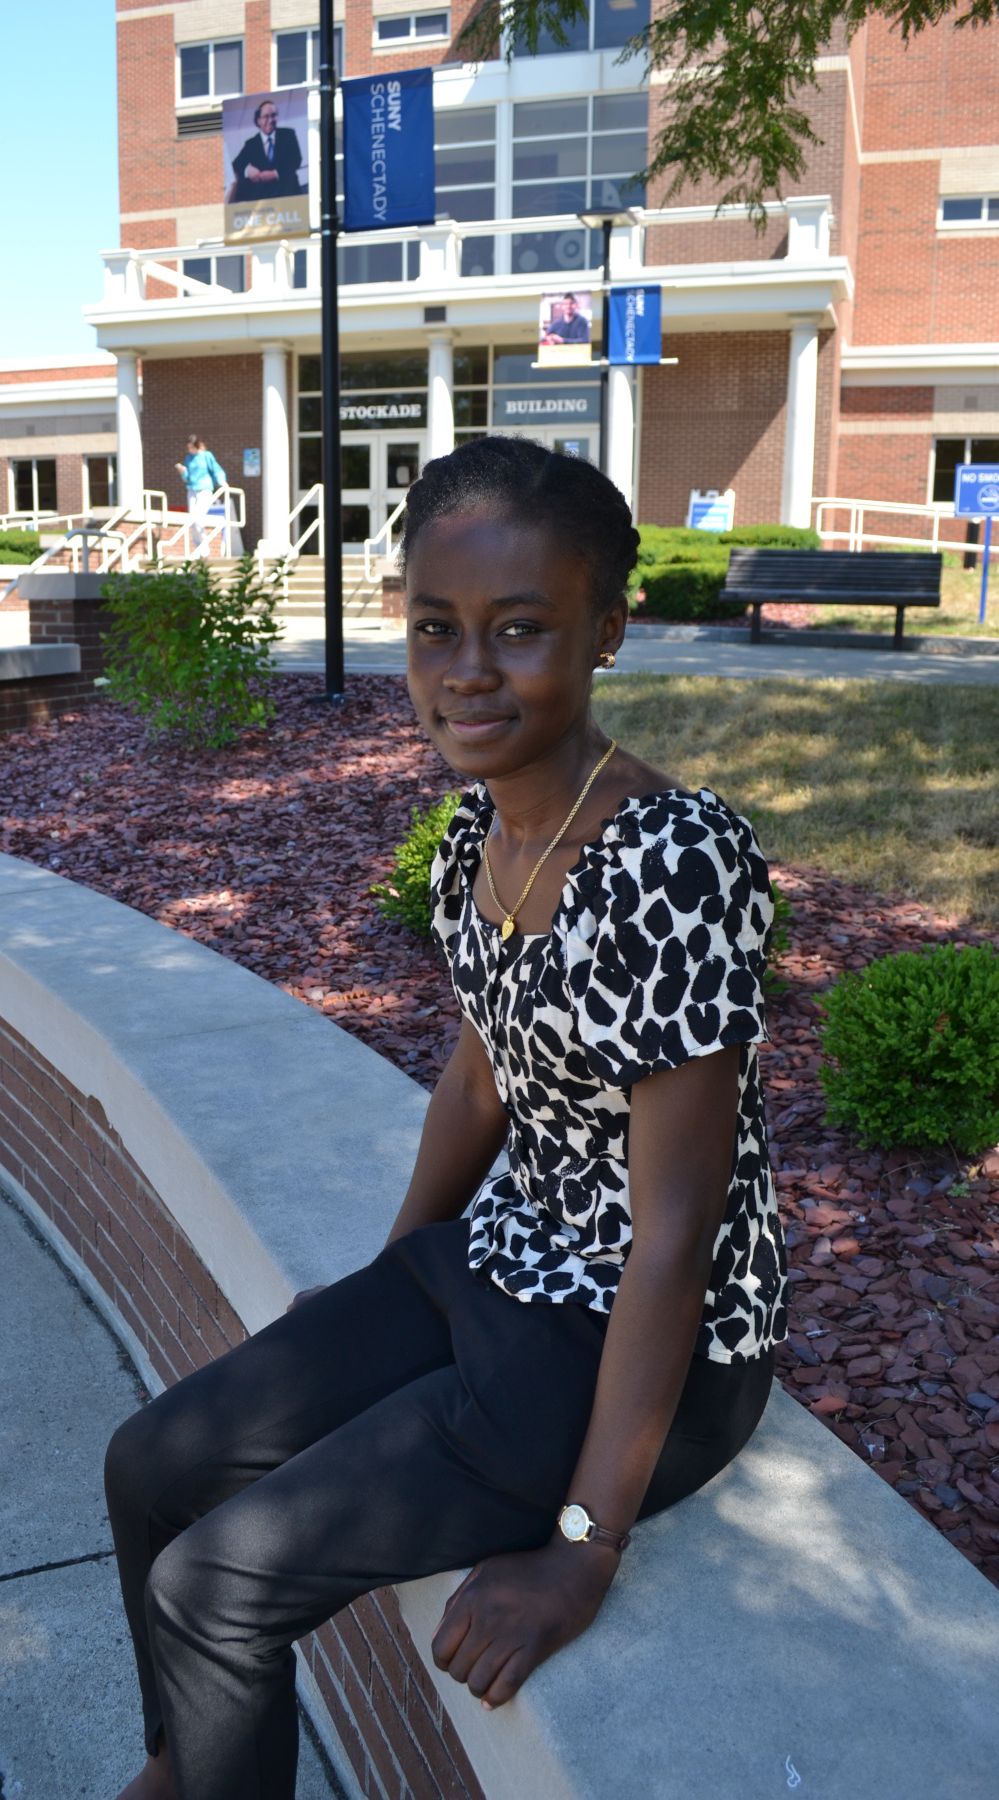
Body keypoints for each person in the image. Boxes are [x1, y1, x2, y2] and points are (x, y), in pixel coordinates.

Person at [106, 436, 784, 1800]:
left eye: (520, 630)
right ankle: (190, 1763)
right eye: (436, 628)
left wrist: (586, 1546)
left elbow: (674, 1233)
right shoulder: (482, 831)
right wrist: (390, 1282)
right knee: (153, 1464)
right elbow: (483, 1076)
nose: (468, 669)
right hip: (505, 1264)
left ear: (606, 632)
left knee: (218, 1583)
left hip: (649, 1336)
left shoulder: (675, 860)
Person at [226, 100, 305, 205]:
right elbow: (235, 166)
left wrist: (274, 174)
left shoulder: (288, 134)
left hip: (288, 198)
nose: (270, 120)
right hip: (263, 203)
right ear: (258, 120)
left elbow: (296, 160)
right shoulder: (251, 144)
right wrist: (247, 170)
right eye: (266, 117)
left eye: (273, 115)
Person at [174, 437, 226, 556]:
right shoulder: (189, 458)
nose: (190, 450)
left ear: (197, 446)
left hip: (205, 489)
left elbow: (216, 469)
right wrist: (183, 472)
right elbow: (187, 478)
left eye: (192, 447)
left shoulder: (206, 455)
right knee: (193, 518)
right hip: (192, 490)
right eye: (188, 448)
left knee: (198, 516)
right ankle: (199, 546)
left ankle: (203, 546)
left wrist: (221, 481)